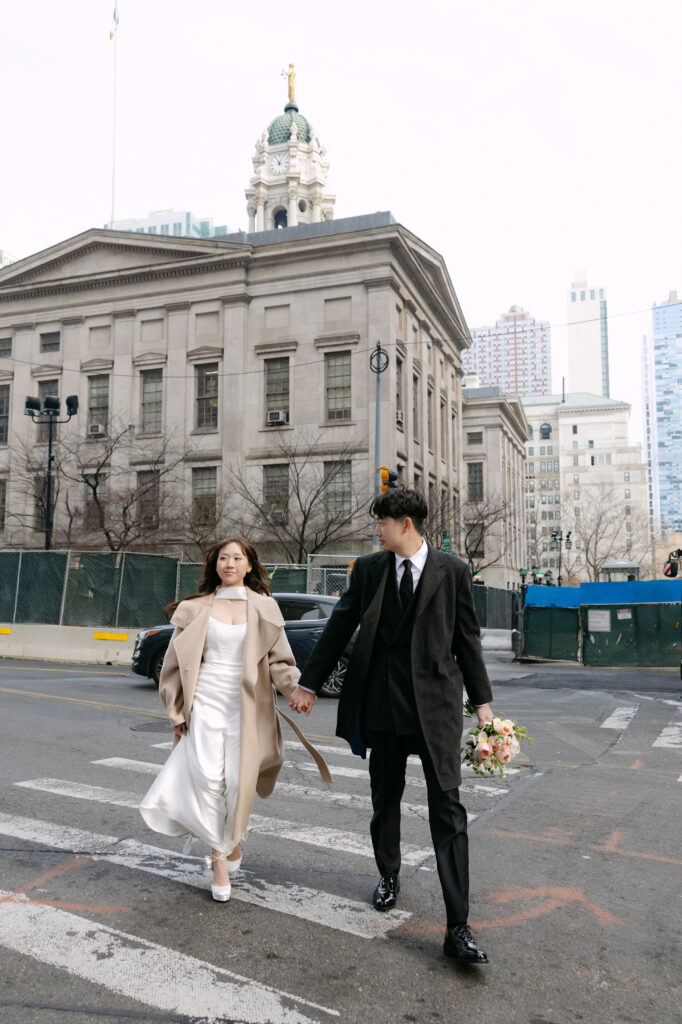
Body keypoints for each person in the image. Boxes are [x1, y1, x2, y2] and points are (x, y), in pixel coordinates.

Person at [290, 489, 494, 963]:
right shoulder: (370, 570)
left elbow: (468, 642)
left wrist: (482, 706)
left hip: (436, 712)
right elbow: (338, 626)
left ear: (404, 523)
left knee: (449, 811)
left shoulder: (453, 572)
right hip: (384, 708)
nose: (375, 530)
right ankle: (388, 874)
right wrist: (308, 684)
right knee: (385, 803)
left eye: (380, 522)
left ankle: (458, 927)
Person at [140, 536, 323, 902]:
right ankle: (219, 857)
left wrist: (294, 690)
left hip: (247, 708)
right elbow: (174, 668)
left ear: (249, 565)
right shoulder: (195, 609)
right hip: (204, 703)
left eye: (237, 558)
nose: (229, 564)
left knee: (238, 783)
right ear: (215, 565)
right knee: (208, 779)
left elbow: (279, 661)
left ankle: (232, 838)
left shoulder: (264, 607)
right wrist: (176, 711)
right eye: (223, 558)